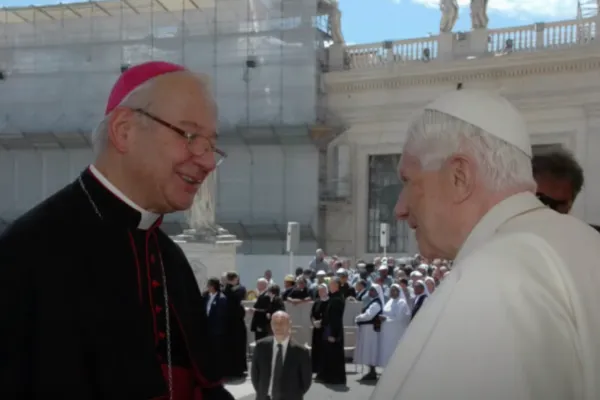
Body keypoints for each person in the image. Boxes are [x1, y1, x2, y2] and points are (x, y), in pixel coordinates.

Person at [0, 61, 234, 399]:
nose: (208, 161)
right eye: (190, 135)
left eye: (212, 144)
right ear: (124, 131)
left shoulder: (172, 259)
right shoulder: (28, 251)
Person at [371, 89, 600, 400]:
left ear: (459, 176)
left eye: (408, 181)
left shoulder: (493, 276)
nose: (400, 208)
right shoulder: (584, 240)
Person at [532, 147, 600, 232]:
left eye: (556, 205)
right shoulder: (513, 235)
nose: (547, 211)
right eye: (540, 200)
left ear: (569, 203)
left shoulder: (591, 237)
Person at [250, 311, 312, 400]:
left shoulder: (301, 352)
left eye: (282, 323)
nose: (278, 326)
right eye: (275, 323)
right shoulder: (261, 346)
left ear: (289, 325)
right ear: (271, 325)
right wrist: (262, 393)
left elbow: (306, 382)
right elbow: (255, 375)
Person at [316, 277, 346, 385]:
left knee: (334, 355)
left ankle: (335, 378)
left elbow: (336, 318)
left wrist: (334, 334)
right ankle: (328, 376)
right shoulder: (334, 298)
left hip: (333, 330)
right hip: (329, 328)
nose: (329, 286)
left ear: (336, 286)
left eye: (331, 284)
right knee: (329, 354)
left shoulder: (337, 299)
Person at [354, 284, 385, 381]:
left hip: (370, 329)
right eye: (370, 290)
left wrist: (358, 318)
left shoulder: (376, 304)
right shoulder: (373, 302)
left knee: (370, 349)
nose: (370, 292)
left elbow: (369, 315)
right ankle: (371, 371)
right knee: (368, 349)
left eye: (372, 290)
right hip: (367, 329)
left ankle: (372, 371)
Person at [222, 271, 248, 379]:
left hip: (232, 323)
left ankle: (234, 369)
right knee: (234, 347)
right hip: (233, 323)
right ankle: (234, 369)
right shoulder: (233, 290)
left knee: (234, 347)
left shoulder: (230, 290)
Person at [379, 284, 411, 367]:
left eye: (394, 290)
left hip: (396, 332)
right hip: (387, 331)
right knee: (386, 350)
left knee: (393, 350)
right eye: (391, 290)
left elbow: (400, 318)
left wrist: (385, 319)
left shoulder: (402, 302)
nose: (392, 292)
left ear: (399, 292)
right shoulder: (389, 301)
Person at [309, 283, 329, 374]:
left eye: (322, 290)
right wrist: (314, 322)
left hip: (325, 328)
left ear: (326, 291)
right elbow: (312, 314)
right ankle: (315, 368)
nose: (321, 292)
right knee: (316, 348)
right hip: (316, 328)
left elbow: (329, 315)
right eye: (319, 291)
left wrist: (321, 322)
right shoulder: (317, 301)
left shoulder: (329, 302)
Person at [250, 278, 271, 342]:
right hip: (258, 323)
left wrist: (255, 310)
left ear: (263, 285)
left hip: (262, 323)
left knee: (261, 341)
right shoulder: (261, 294)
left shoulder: (266, 296)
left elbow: (267, 310)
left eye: (258, 284)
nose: (257, 286)